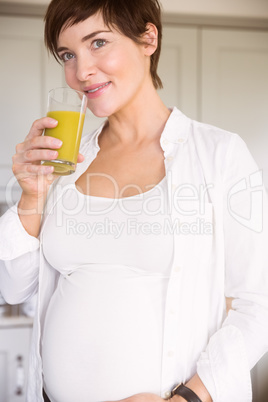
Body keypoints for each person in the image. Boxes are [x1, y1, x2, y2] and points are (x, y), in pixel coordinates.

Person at [0, 0, 268, 401]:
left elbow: (257, 304)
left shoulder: (219, 154)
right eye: (68, 55)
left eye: (98, 43)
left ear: (148, 38)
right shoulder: (65, 162)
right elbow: (13, 287)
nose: (81, 72)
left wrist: (188, 399)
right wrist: (31, 195)